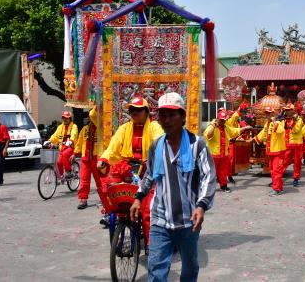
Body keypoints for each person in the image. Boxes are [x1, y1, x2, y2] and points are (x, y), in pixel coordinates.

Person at [130, 92, 216, 282]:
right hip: (160, 219)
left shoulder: (197, 145)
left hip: (189, 220)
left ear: (183, 116)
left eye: (172, 114)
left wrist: (201, 205)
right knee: (156, 271)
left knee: (190, 268)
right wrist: (138, 197)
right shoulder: (156, 146)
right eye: (162, 115)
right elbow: (150, 174)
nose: (166, 120)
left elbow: (208, 177)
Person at [98, 97, 164, 250]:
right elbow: (113, 147)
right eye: (132, 110)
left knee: (148, 210)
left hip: (149, 172)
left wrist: (152, 159)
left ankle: (151, 244)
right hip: (129, 171)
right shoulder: (125, 128)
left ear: (146, 112)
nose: (134, 112)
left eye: (138, 109)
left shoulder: (154, 126)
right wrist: (104, 159)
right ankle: (113, 217)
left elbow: (160, 142)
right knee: (112, 191)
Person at [204, 107, 249, 193]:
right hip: (214, 155)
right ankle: (208, 188)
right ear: (218, 119)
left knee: (223, 172)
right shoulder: (211, 126)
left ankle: (223, 186)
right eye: (221, 120)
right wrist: (214, 126)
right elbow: (208, 135)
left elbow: (234, 131)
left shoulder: (226, 127)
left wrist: (245, 128)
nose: (223, 122)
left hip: (224, 154)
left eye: (224, 120)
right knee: (211, 172)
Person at [73, 107, 107, 211]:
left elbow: (93, 114)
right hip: (85, 158)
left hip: (97, 158)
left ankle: (105, 198)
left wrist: (97, 104)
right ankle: (83, 199)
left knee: (100, 180)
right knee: (84, 180)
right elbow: (79, 142)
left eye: (91, 116)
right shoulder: (84, 129)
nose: (90, 118)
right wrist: (75, 153)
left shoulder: (101, 128)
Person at [255, 107, 286, 196]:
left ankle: (276, 189)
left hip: (278, 151)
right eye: (267, 113)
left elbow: (281, 130)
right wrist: (254, 139)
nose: (268, 115)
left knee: (276, 170)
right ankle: (278, 187)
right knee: (272, 170)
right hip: (271, 151)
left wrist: (274, 121)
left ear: (274, 114)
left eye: (270, 113)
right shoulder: (267, 124)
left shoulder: (279, 123)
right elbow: (263, 133)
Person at [46, 111, 78, 179]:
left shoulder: (74, 126)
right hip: (62, 148)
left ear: (70, 119)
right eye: (63, 118)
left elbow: (74, 134)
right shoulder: (60, 127)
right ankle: (61, 177)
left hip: (70, 147)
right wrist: (49, 141)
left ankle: (68, 171)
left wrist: (71, 141)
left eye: (66, 118)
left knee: (65, 154)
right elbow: (55, 136)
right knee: (58, 162)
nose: (65, 120)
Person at [281, 103, 304, 187]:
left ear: (292, 111)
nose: (286, 112)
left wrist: (294, 121)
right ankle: (278, 177)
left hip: (297, 144)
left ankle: (296, 179)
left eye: (288, 110)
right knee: (284, 161)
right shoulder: (285, 119)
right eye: (285, 110)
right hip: (288, 143)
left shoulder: (299, 119)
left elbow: (295, 130)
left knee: (297, 162)